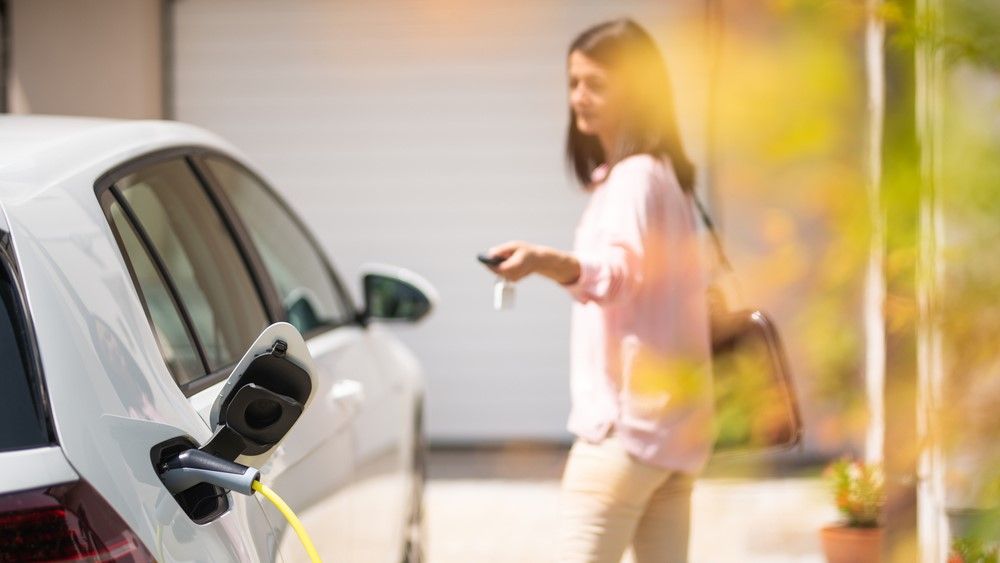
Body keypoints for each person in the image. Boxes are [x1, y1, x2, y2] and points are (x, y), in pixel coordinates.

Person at [483, 18, 713, 563]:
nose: (578, 98)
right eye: (573, 82)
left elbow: (617, 275)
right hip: (675, 435)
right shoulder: (667, 176)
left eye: (596, 84)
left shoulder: (634, 177)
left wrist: (544, 261)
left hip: (624, 435)